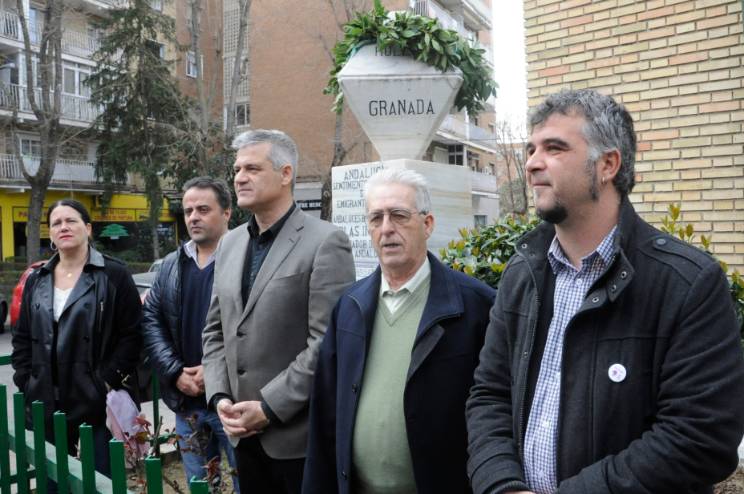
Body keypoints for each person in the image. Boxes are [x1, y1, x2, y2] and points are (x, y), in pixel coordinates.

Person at [466, 89, 744, 494]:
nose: (532, 163)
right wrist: (503, 485)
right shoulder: (522, 274)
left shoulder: (687, 283)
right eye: (531, 149)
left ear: (607, 165)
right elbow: (490, 395)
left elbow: (700, 436)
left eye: (554, 148)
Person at [302, 168, 495, 494]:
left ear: (427, 224)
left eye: (399, 215)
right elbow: (324, 417)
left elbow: (495, 413)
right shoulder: (349, 307)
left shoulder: (477, 307)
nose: (387, 228)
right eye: (376, 218)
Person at [202, 129, 356, 494]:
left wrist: (269, 407)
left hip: (298, 442)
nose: (239, 177)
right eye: (237, 169)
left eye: (252, 168)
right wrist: (220, 396)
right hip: (241, 436)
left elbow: (325, 343)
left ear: (286, 174)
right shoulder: (230, 243)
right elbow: (215, 331)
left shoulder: (325, 242)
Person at [11, 199, 142, 485]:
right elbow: (22, 337)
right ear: (50, 233)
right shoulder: (37, 279)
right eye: (56, 223)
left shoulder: (113, 274)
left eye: (71, 220)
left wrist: (106, 381)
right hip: (46, 400)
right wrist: (26, 379)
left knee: (100, 482)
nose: (64, 227)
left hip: (95, 402)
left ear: (88, 228)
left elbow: (132, 334)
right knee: (52, 482)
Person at [142, 177, 239, 491]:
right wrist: (174, 372)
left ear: (226, 212)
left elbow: (258, 329)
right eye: (188, 211)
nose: (193, 217)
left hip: (234, 402)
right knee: (201, 485)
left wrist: (214, 372)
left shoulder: (247, 260)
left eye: (203, 209)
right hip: (188, 404)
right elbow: (152, 319)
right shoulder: (172, 264)